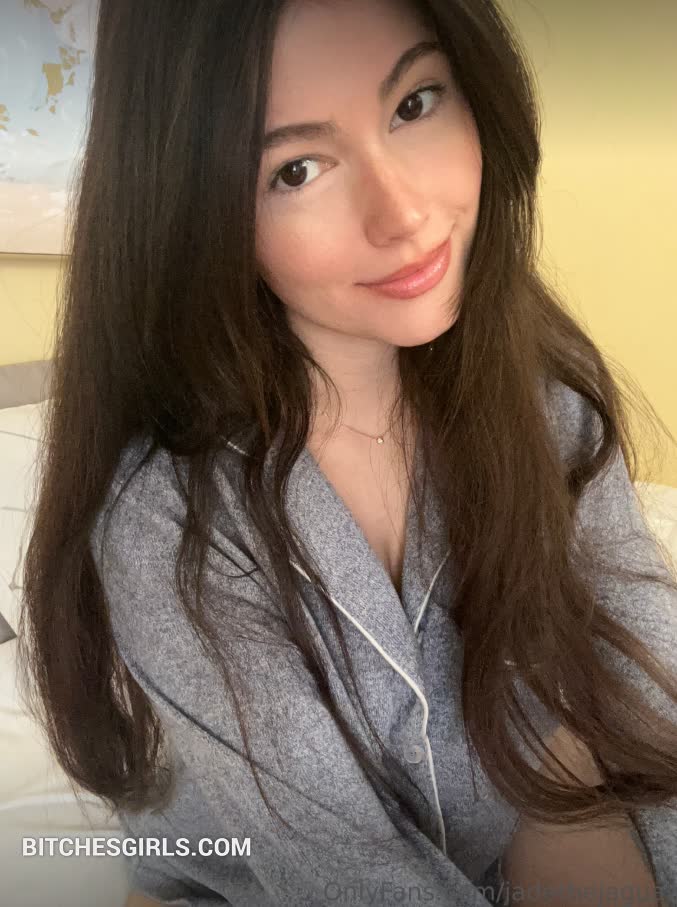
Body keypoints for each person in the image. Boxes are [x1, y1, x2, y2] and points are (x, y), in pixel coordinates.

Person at [17, 0, 677, 905]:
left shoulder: (541, 389)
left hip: (502, 829)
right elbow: (344, 871)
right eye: (296, 169)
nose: (403, 214)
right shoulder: (167, 520)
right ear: (197, 213)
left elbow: (641, 659)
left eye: (414, 103)